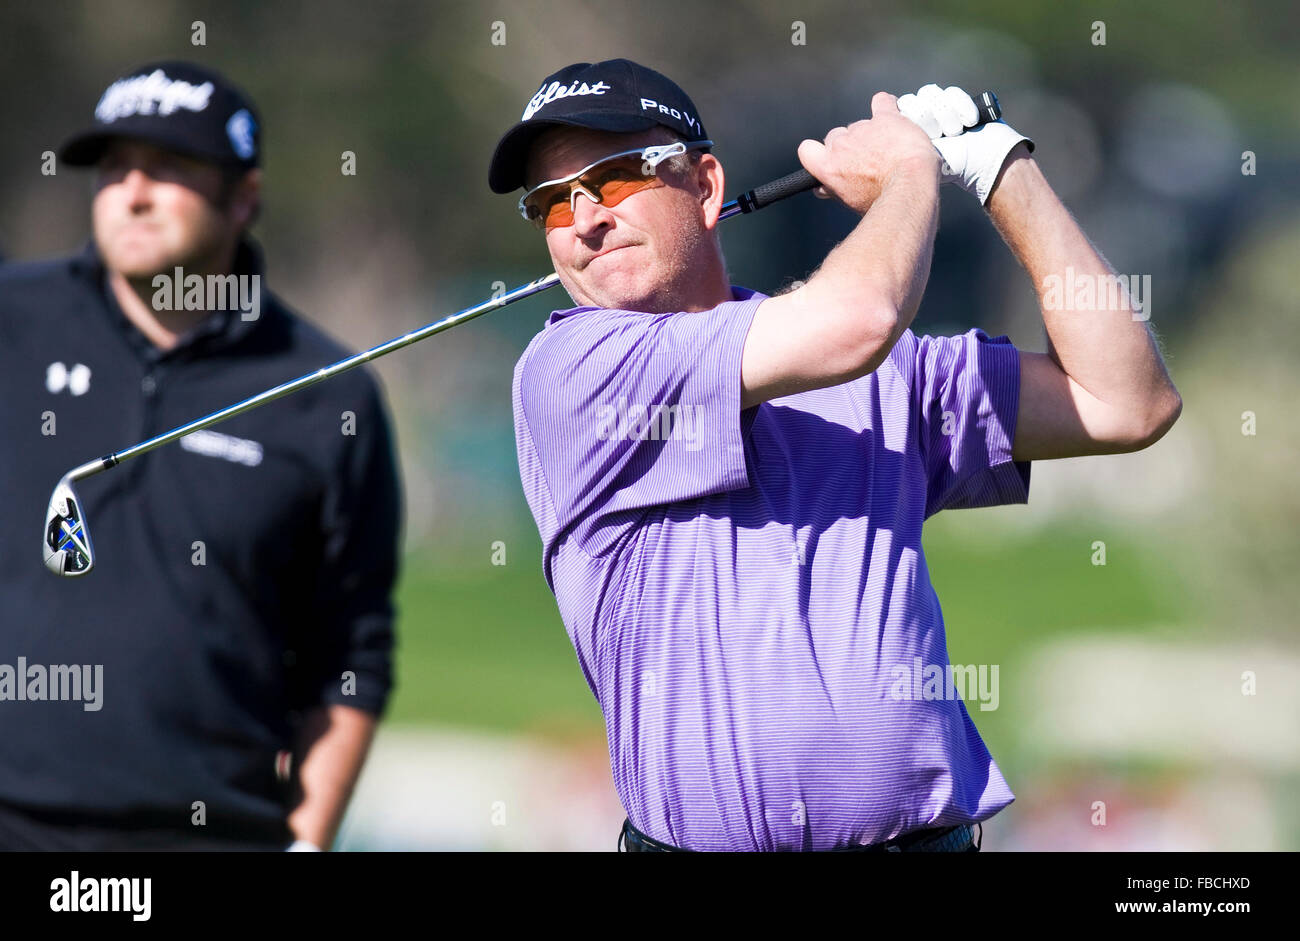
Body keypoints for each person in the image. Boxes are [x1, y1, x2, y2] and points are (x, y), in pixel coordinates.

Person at [490, 59, 1181, 851]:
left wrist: (999, 169)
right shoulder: (570, 372)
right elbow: (859, 316)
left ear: (706, 186)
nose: (584, 220)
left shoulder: (885, 371)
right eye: (550, 203)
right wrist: (911, 172)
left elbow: (1127, 400)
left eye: (613, 180)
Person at [0, 61, 402, 850]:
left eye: (170, 169)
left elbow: (352, 650)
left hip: (213, 834)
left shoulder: (325, 395)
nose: (133, 193)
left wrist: (309, 836)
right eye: (113, 169)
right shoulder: (12, 321)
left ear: (244, 197)